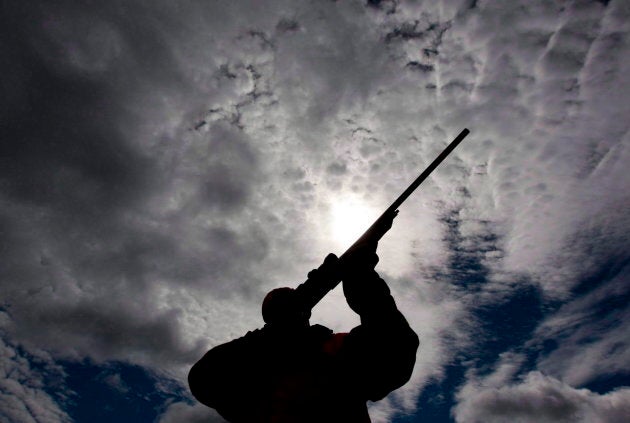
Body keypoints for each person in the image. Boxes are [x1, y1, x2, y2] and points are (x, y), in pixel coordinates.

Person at [188, 241, 419, 422]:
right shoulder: (249, 373)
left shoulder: (331, 348)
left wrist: (359, 275)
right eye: (288, 303)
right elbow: (202, 379)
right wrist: (358, 274)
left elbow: (395, 347)